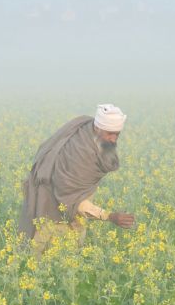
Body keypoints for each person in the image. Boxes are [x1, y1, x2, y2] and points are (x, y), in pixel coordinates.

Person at [19, 104, 136, 256]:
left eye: (117, 134)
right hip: (52, 206)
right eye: (109, 134)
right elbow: (72, 199)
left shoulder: (88, 127)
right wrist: (109, 216)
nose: (113, 140)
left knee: (68, 255)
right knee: (44, 252)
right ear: (98, 128)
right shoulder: (79, 156)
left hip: (71, 203)